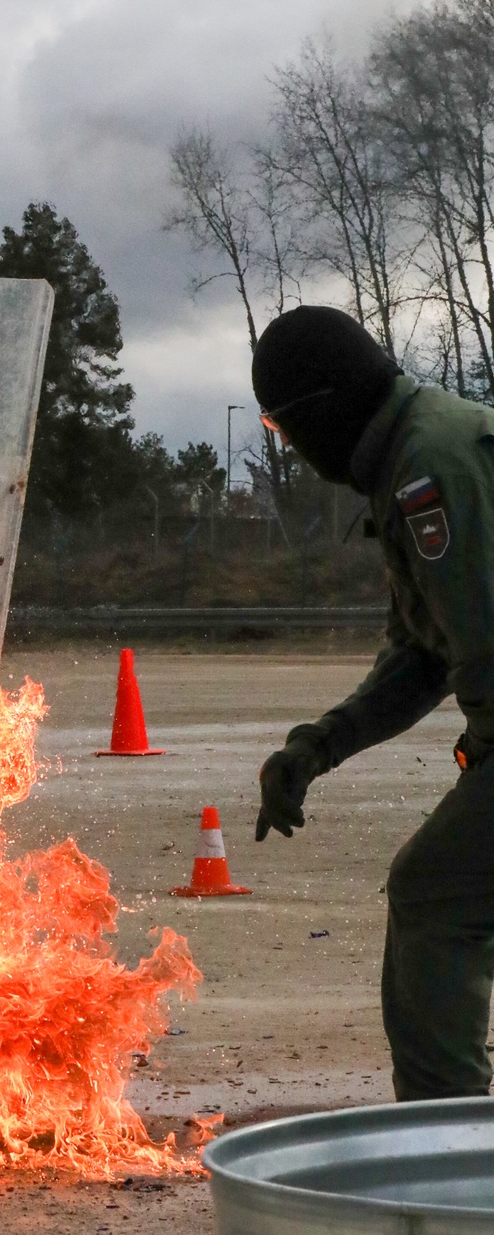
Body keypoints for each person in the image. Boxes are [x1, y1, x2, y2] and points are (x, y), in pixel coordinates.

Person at [252, 304, 494, 1103]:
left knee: (437, 892)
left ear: (321, 414)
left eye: (281, 431)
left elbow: (485, 650)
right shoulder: (417, 454)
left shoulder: (433, 474)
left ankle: (450, 1162)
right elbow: (424, 655)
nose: (289, 451)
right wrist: (317, 746)